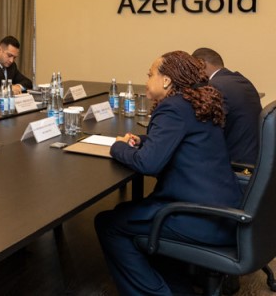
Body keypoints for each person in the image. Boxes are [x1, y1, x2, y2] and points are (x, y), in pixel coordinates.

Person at [94, 51, 242, 295]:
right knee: (125, 213)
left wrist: (117, 147)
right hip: (224, 211)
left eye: (150, 74)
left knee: (108, 224)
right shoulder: (196, 102)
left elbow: (148, 164)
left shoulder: (172, 108)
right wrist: (142, 141)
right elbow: (182, 139)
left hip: (198, 217)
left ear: (166, 81)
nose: (146, 80)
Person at [192, 47, 262, 165]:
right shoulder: (241, 80)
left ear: (201, 63)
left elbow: (209, 132)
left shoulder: (215, 86)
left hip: (237, 163)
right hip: (254, 157)